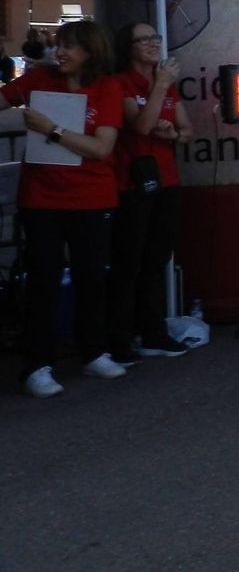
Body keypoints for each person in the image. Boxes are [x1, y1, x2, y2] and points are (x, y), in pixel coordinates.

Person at [3, 21, 126, 396]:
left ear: (90, 50)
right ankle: (37, 365)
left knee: (92, 277)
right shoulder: (39, 79)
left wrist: (51, 129)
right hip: (42, 198)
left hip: (93, 197)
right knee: (43, 279)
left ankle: (94, 352)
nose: (60, 52)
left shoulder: (108, 87)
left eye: (69, 46)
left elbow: (101, 148)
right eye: (59, 45)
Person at [105, 24, 193, 363]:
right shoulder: (121, 83)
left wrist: (173, 135)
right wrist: (159, 86)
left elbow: (187, 130)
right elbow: (141, 126)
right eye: (144, 40)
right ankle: (120, 338)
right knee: (129, 261)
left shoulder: (165, 84)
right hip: (132, 183)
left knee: (157, 258)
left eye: (155, 38)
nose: (153, 44)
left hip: (166, 180)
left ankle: (153, 332)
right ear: (128, 47)